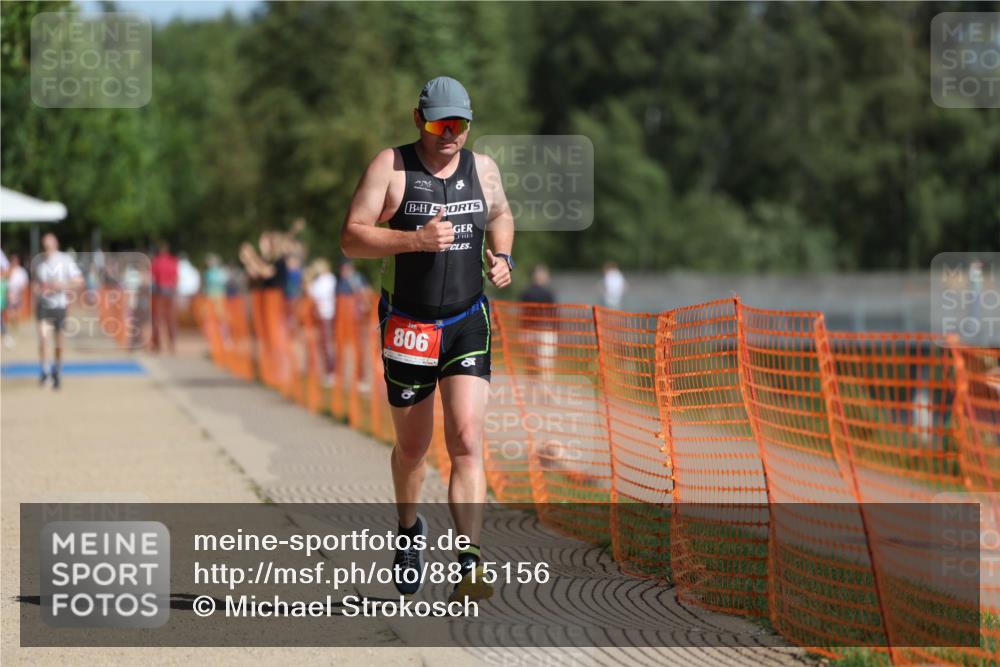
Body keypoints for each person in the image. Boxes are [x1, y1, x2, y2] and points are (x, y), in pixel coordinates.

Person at [340, 76, 514, 603]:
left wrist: (502, 255)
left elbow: (501, 214)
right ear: (420, 120)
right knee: (413, 449)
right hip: (409, 325)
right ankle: (410, 530)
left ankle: (469, 560)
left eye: (459, 125)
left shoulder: (483, 169)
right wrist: (414, 239)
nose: (450, 135)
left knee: (465, 436)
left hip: (466, 318)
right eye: (440, 124)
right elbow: (351, 237)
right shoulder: (390, 168)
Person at [33, 233, 83, 389]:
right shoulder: (39, 263)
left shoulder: (65, 260)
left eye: (49, 246)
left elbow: (79, 281)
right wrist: (38, 290)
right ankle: (45, 371)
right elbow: (36, 284)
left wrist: (61, 285)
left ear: (55, 245)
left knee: (58, 343)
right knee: (43, 339)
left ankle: (57, 370)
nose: (46, 249)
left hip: (60, 306)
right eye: (44, 246)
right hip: (43, 306)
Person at [520, 264, 559, 379]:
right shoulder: (549, 293)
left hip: (530, 330)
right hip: (545, 331)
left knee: (531, 362)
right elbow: (555, 314)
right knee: (545, 363)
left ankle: (534, 388)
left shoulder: (526, 293)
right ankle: (544, 388)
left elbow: (521, 313)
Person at [306, 258, 337, 387]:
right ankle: (327, 371)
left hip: (327, 314)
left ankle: (331, 372)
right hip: (321, 315)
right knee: (323, 344)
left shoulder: (329, 279)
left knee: (327, 343)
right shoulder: (318, 280)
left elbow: (319, 294)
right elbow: (312, 294)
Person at [150, 242, 179, 353]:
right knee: (171, 320)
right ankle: (172, 344)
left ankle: (157, 344)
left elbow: (152, 277)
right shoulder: (173, 261)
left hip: (159, 292)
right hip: (170, 292)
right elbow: (176, 277)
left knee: (156, 319)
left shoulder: (156, 261)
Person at [7, 254, 29, 342]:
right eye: (13, 260)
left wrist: (20, 293)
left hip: (19, 293)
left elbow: (24, 283)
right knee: (11, 313)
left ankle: (16, 328)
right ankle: (12, 327)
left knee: (17, 312)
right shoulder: (9, 270)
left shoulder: (21, 271)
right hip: (10, 293)